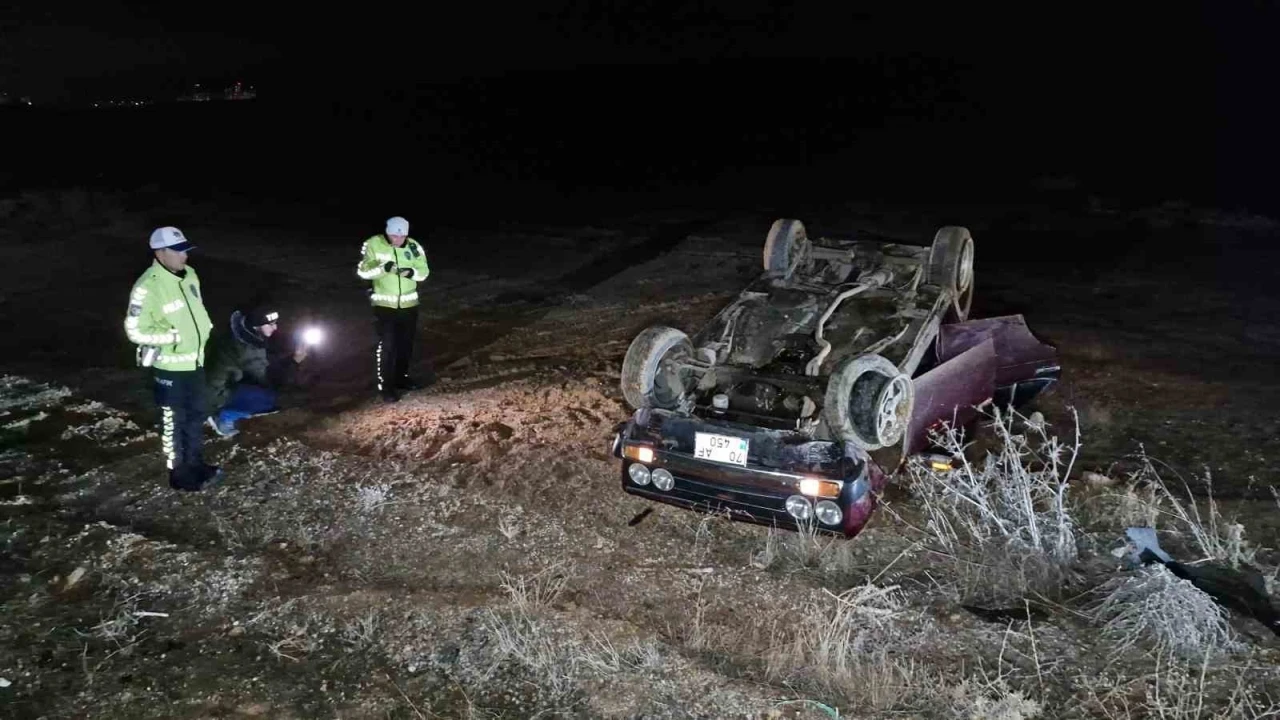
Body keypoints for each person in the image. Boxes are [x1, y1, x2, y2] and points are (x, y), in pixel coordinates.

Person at [123, 226, 220, 491]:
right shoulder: (148, 287)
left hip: (195, 363)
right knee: (173, 424)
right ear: (159, 253)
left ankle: (196, 464)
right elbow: (135, 330)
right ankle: (179, 475)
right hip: (170, 369)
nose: (184, 256)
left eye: (185, 250)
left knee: (195, 416)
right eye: (177, 252)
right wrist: (174, 337)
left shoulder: (190, 276)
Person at [355, 215, 432, 402]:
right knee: (388, 345)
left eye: (401, 236)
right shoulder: (374, 244)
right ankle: (386, 387)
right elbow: (363, 270)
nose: (397, 240)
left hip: (409, 305)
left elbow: (424, 271)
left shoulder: (414, 246)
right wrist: (383, 268)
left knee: (405, 345)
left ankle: (401, 378)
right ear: (387, 232)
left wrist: (411, 272)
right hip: (384, 306)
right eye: (393, 235)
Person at [203, 306, 308, 437]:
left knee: (263, 390)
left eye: (275, 323)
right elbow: (267, 379)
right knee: (272, 399)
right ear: (256, 325)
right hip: (213, 396)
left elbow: (264, 361)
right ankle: (223, 416)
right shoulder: (246, 346)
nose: (275, 328)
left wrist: (288, 359)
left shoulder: (241, 335)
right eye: (270, 324)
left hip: (211, 386)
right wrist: (295, 361)